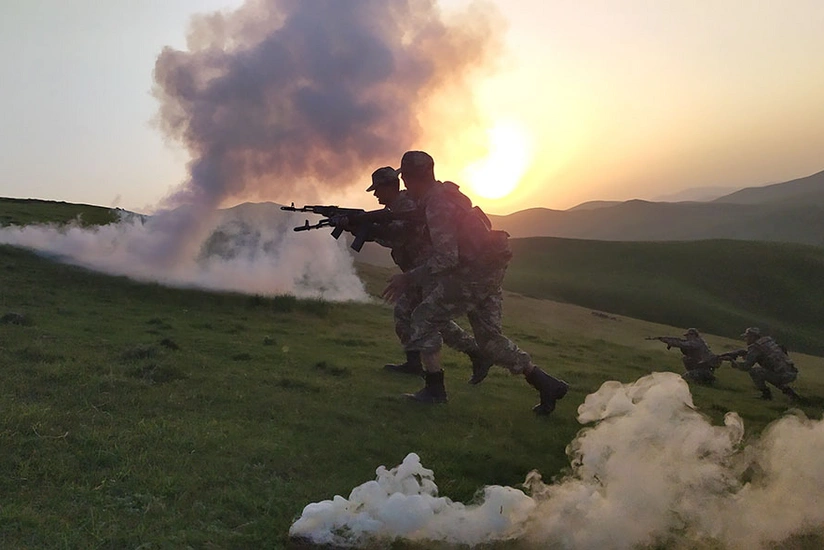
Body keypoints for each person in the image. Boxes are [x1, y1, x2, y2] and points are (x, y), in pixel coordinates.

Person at [381, 151, 568, 415]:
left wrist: (407, 278)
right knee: (490, 339)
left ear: (410, 178)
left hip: (472, 274)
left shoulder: (437, 204)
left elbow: (447, 258)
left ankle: (435, 390)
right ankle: (545, 383)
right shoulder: (447, 195)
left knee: (424, 316)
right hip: (490, 269)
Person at [360, 166, 490, 377]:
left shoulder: (407, 206)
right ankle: (415, 363)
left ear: (389, 187)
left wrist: (369, 231)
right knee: (406, 313)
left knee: (429, 319)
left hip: (428, 270)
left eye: (377, 189)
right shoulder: (399, 206)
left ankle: (471, 354)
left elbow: (398, 237)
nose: (375, 194)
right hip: (418, 271)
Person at [728, 327, 801, 401]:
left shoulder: (755, 347)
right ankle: (792, 395)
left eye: (747, 337)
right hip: (791, 372)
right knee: (769, 373)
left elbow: (746, 366)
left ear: (753, 336)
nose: (745, 339)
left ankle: (766, 395)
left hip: (783, 375)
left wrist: (735, 363)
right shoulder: (768, 341)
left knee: (755, 372)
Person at [649, 328, 720, 385]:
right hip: (703, 369)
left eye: (688, 336)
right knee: (686, 359)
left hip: (704, 370)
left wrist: (672, 342)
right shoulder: (699, 342)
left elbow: (684, 344)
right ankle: (700, 378)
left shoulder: (697, 342)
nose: (687, 337)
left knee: (683, 380)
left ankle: (705, 379)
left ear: (693, 335)